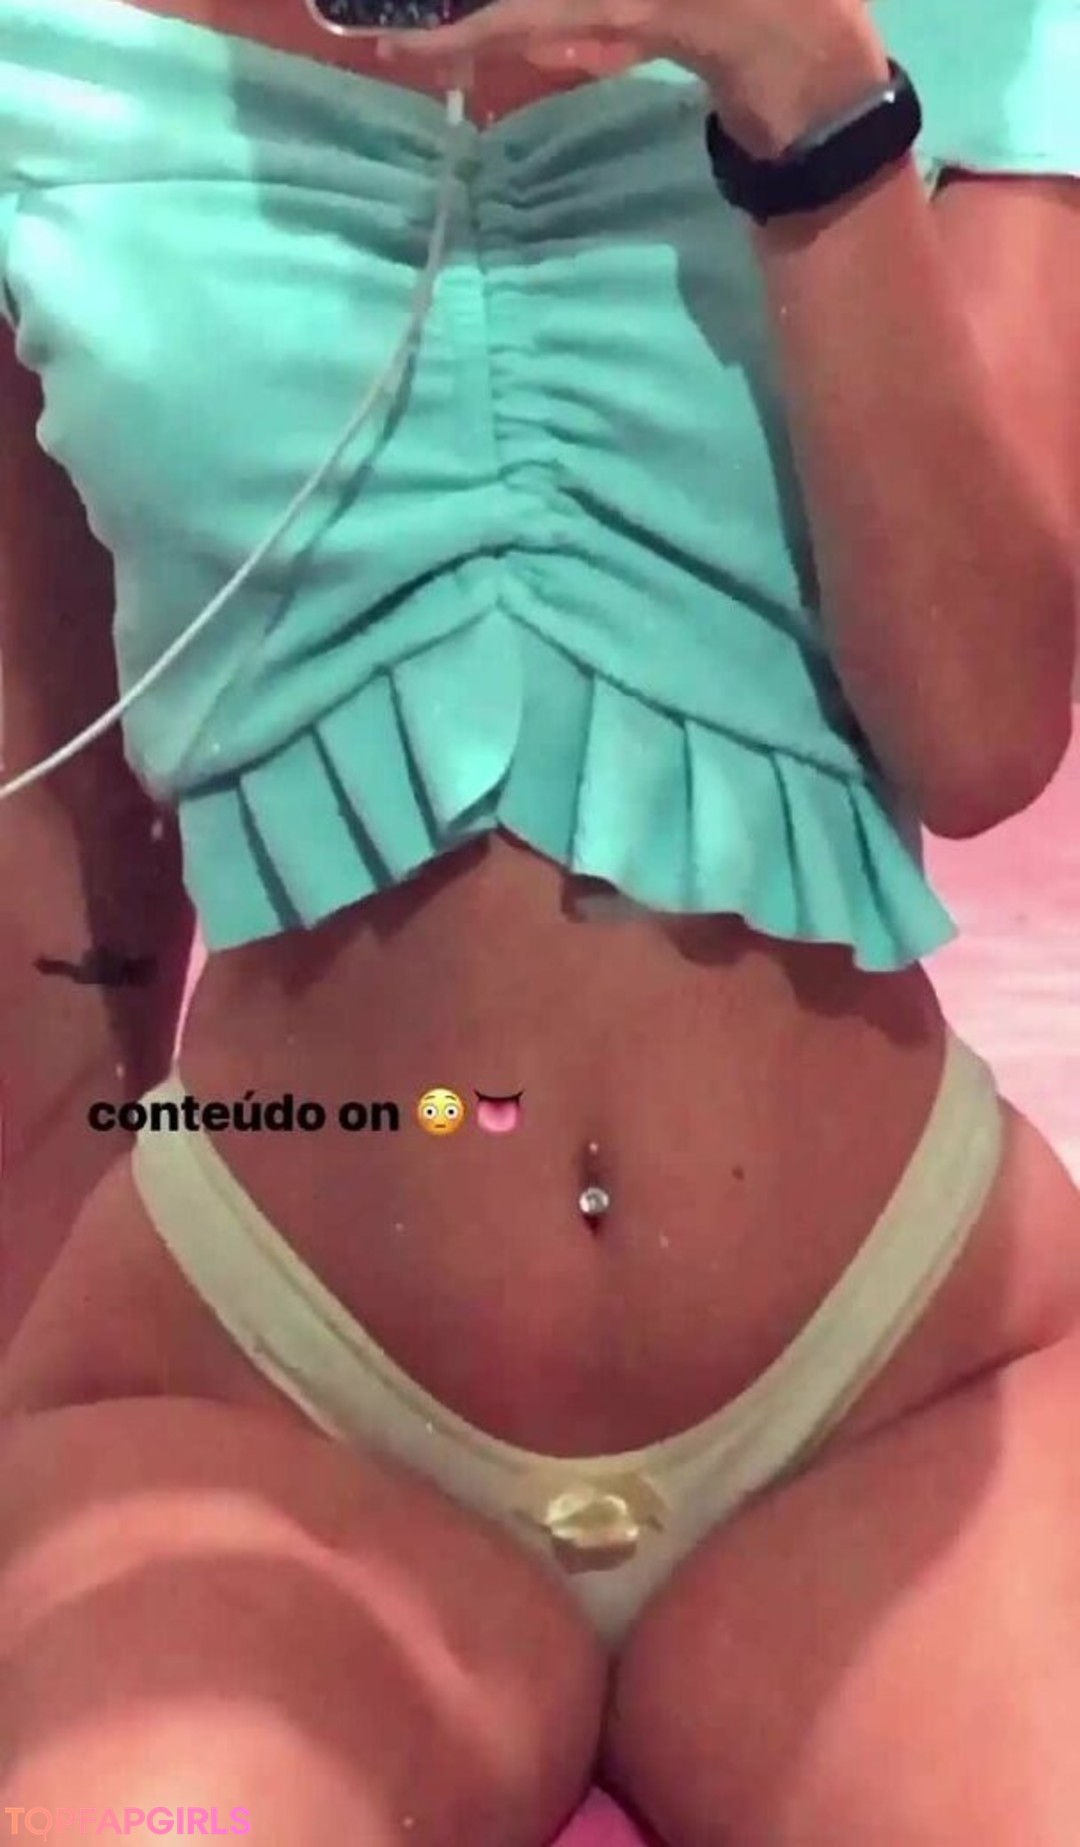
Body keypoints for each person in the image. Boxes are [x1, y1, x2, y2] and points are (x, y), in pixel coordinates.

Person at [1, 0, 1079, 1840]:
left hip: (901, 1379)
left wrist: (807, 95)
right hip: (260, 1389)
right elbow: (52, 811)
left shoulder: (973, 26)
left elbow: (984, 732)